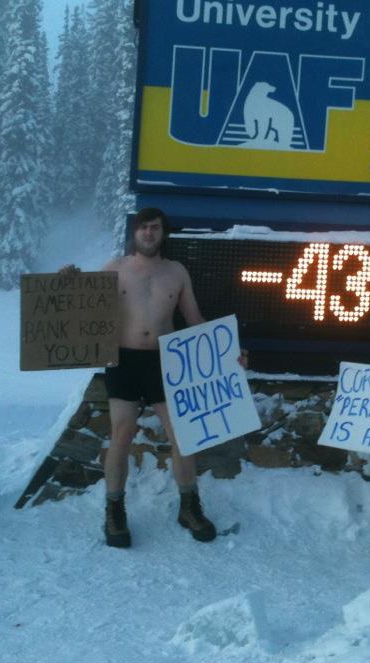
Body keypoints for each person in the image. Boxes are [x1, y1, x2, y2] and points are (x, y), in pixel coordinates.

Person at [61, 207, 243, 549]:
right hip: (124, 360)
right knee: (122, 433)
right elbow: (84, 304)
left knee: (183, 436)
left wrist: (226, 352)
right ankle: (114, 510)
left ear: (163, 233)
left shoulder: (176, 272)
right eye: (143, 227)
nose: (148, 233)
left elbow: (194, 319)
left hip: (166, 361)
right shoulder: (116, 267)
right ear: (135, 232)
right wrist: (69, 280)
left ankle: (190, 507)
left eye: (155, 228)